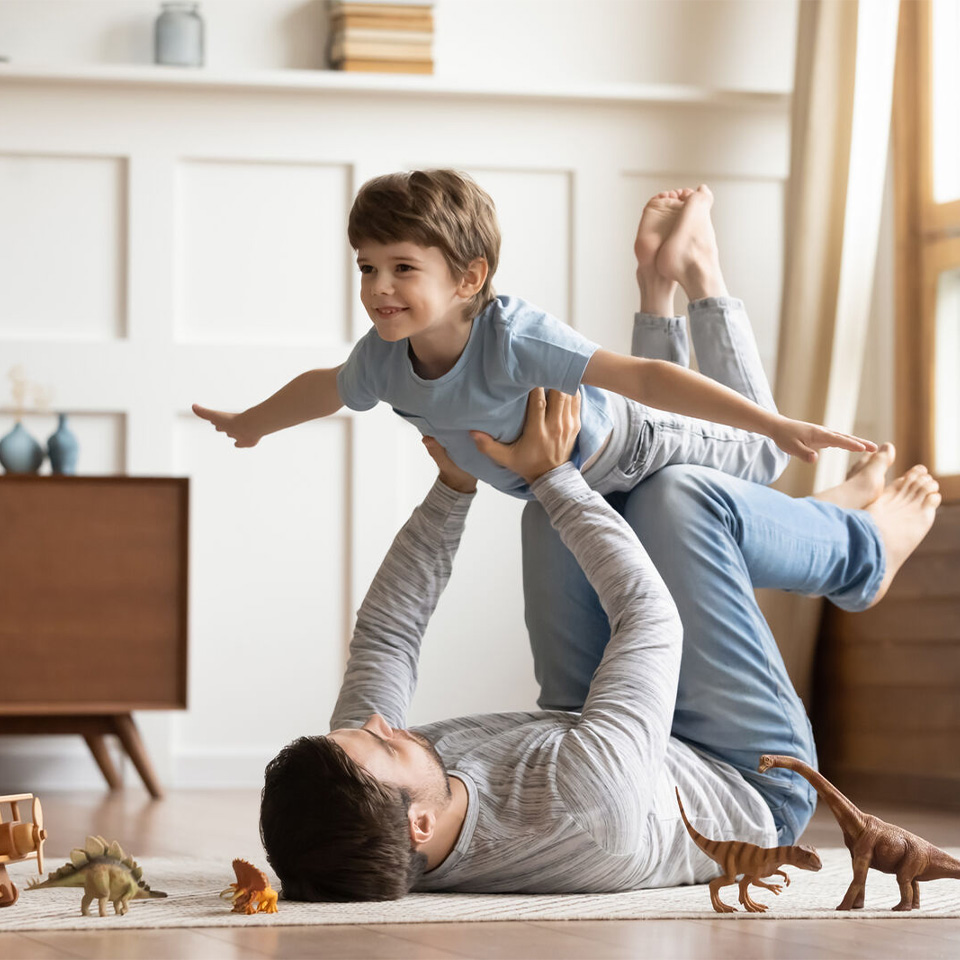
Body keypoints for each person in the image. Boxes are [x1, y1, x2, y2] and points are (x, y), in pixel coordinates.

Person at [258, 385, 940, 901]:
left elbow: (387, 636)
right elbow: (651, 619)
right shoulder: (585, 808)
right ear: (419, 830)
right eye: (380, 743)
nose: (381, 725)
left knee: (553, 518)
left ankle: (811, 516)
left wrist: (453, 486)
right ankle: (862, 551)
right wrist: (554, 476)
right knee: (677, 500)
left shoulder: (369, 799)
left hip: (595, 728)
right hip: (745, 774)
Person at [193, 173, 875, 508]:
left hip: (630, 447)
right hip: (581, 482)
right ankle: (658, 279)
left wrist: (774, 422)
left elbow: (639, 379)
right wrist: (253, 423)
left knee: (764, 462)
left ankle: (700, 273)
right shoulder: (383, 358)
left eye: (403, 268)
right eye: (367, 267)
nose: (378, 287)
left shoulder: (512, 336)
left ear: (469, 278)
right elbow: (328, 387)